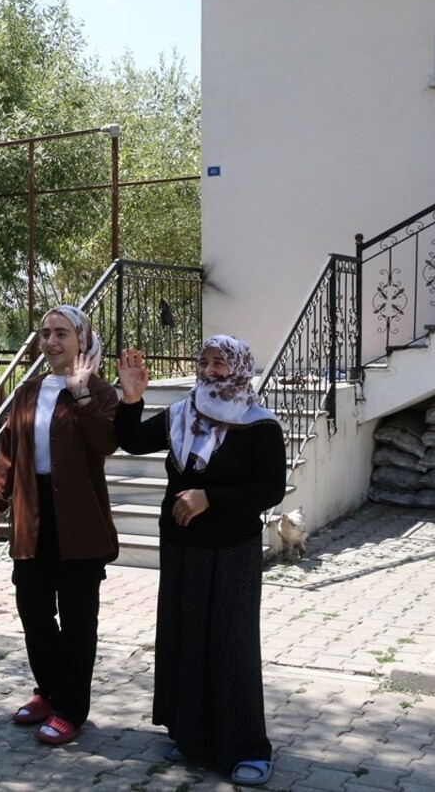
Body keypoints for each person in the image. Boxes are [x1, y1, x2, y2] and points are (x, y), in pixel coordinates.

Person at [115, 336, 285, 788]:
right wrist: (132, 398)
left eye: (220, 364)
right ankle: (191, 734)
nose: (210, 371)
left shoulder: (259, 424)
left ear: (240, 369)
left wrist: (210, 497)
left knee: (230, 645)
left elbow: (270, 490)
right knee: (185, 637)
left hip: (231, 550)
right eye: (204, 362)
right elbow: (131, 441)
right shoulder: (180, 414)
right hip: (181, 546)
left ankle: (247, 747)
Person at [0, 305, 119, 746]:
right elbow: (8, 451)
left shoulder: (100, 392)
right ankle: (50, 691)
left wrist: (80, 396)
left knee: (79, 618)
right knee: (34, 610)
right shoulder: (28, 391)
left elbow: (107, 443)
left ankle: (71, 708)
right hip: (33, 513)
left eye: (62, 333)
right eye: (46, 334)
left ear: (81, 339)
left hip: (79, 519)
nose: (53, 342)